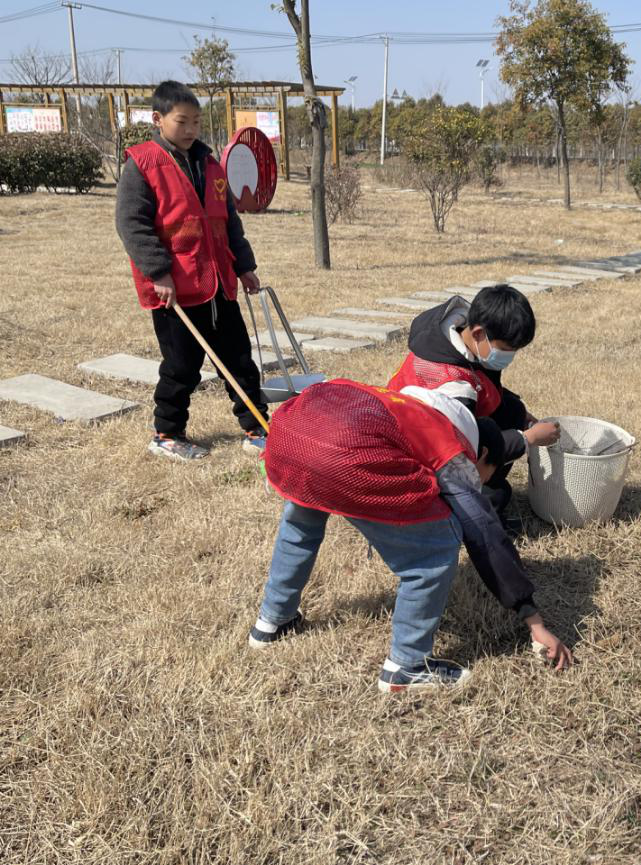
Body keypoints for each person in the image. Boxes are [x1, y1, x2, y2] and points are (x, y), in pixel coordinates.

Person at [247, 378, 573, 692]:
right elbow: (484, 532)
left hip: (295, 432)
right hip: (341, 451)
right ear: (482, 454)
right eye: (487, 475)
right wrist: (533, 619)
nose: (482, 483)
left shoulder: (409, 405)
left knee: (300, 526)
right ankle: (407, 666)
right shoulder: (451, 447)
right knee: (434, 549)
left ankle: (272, 621)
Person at [115, 80, 268, 462]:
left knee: (238, 358)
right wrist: (158, 271)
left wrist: (244, 266)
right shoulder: (142, 164)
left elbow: (228, 221)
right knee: (182, 366)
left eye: (196, 122)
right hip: (176, 290)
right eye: (182, 121)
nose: (190, 130)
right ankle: (167, 432)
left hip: (219, 282)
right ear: (158, 119)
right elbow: (132, 224)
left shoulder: (211, 165)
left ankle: (257, 427)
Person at [387, 285, 561, 521]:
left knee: (512, 410)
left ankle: (489, 476)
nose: (510, 358)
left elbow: (481, 382)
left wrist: (520, 413)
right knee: (497, 494)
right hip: (420, 461)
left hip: (435, 426)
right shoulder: (453, 387)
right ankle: (457, 514)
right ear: (479, 333)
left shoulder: (452, 336)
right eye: (507, 350)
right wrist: (527, 439)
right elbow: (465, 453)